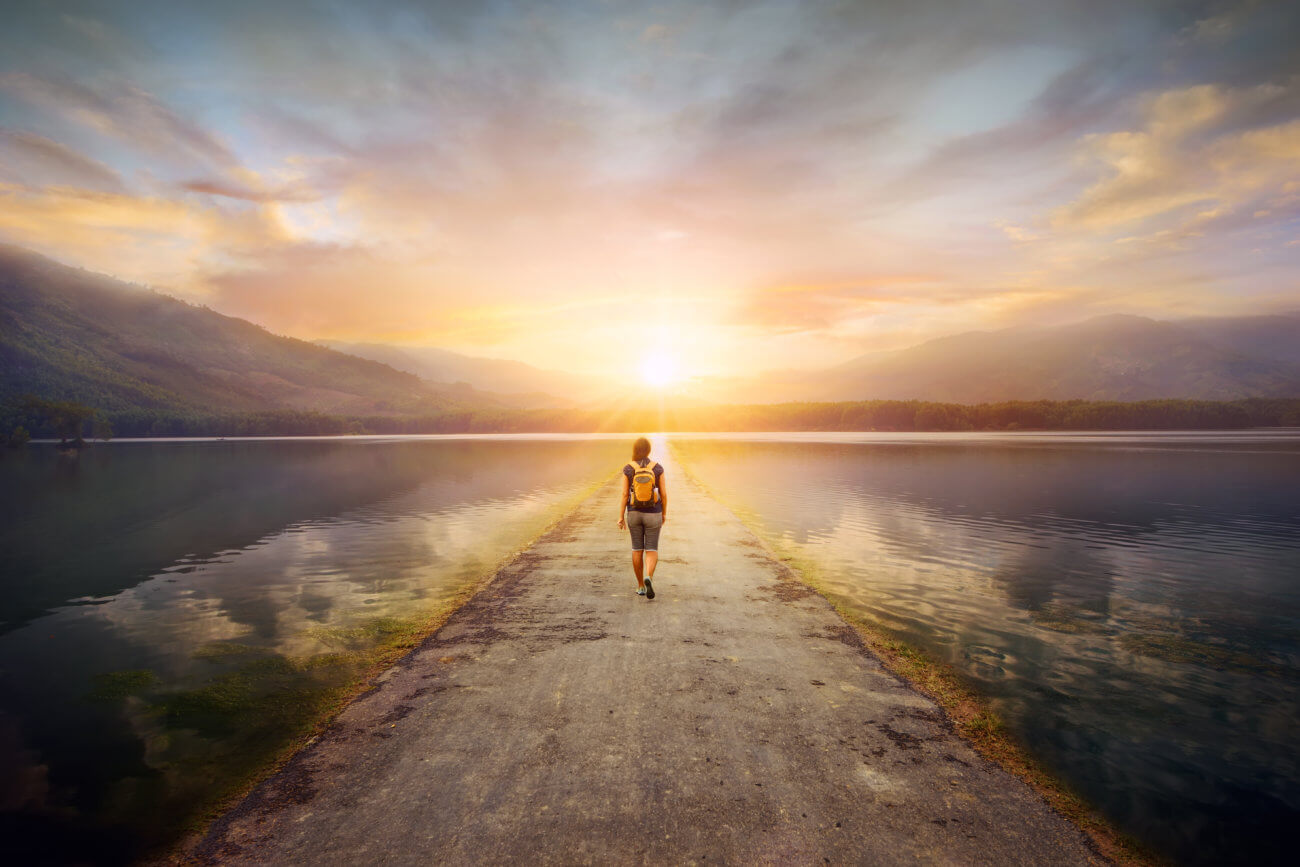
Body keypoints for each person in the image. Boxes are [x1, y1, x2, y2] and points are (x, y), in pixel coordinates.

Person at [616, 436, 667, 599]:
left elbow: (625, 494)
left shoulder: (628, 468)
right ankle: (649, 577)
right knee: (651, 549)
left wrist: (621, 517)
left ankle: (640, 586)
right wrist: (664, 513)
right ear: (649, 450)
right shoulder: (657, 468)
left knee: (637, 548)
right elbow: (664, 494)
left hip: (634, 513)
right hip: (654, 513)